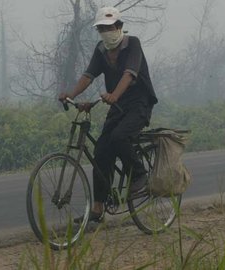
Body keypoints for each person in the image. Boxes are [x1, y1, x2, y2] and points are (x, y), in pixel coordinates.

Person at [59, 6, 158, 223]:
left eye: (109, 27)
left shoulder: (133, 44)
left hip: (138, 104)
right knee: (102, 151)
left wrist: (114, 94)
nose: (105, 31)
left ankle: (140, 174)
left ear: (119, 27)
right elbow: (88, 75)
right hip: (117, 106)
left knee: (119, 137)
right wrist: (72, 95)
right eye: (101, 28)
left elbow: (130, 74)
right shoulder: (101, 49)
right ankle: (97, 208)